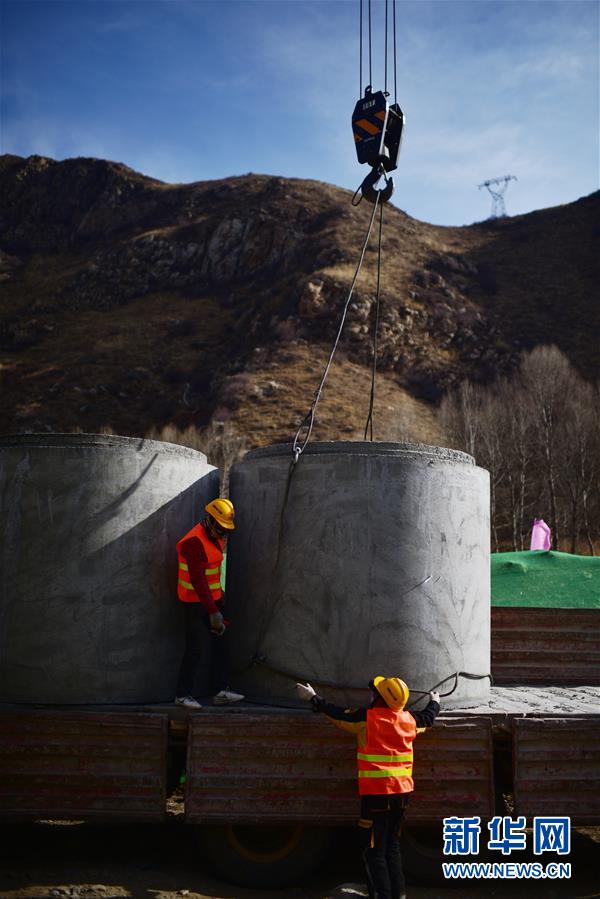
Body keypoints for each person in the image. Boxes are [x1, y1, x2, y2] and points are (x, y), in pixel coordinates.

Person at [297, 676, 440, 899]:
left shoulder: (366, 719)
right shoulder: (409, 720)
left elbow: (336, 714)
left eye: (375, 692)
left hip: (377, 796)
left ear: (380, 698)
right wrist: (435, 701)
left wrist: (313, 697)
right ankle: (398, 895)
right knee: (392, 847)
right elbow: (428, 718)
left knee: (374, 850)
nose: (371, 695)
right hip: (402, 795)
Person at [174, 498, 244, 708]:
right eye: (221, 529)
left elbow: (212, 571)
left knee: (220, 643)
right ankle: (182, 695)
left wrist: (219, 593)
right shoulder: (193, 542)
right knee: (195, 647)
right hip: (195, 603)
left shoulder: (216, 537)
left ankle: (220, 690)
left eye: (227, 531)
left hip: (211, 600)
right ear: (210, 521)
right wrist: (213, 612)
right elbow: (197, 580)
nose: (223, 534)